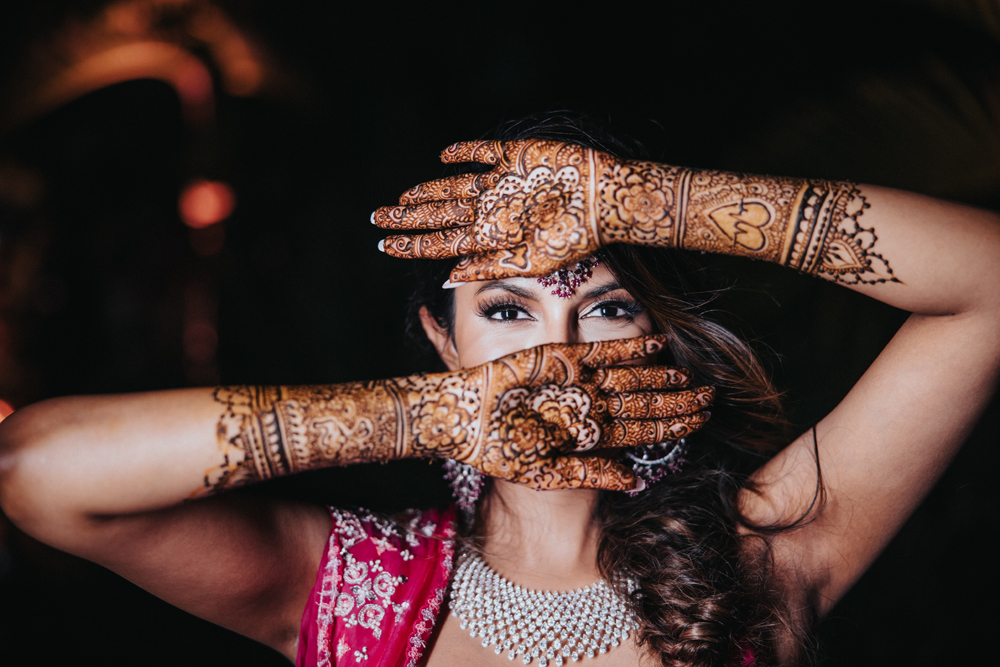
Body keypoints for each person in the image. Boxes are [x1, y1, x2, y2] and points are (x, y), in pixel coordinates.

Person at [1, 117, 998, 667]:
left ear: (658, 341)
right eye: (509, 314)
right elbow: (36, 468)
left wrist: (642, 201)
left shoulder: (766, 562)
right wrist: (429, 416)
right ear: (442, 340)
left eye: (606, 309)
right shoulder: (351, 592)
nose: (556, 358)